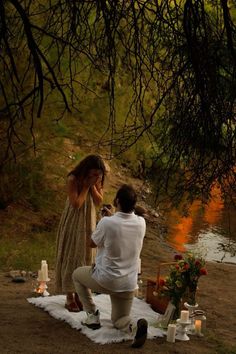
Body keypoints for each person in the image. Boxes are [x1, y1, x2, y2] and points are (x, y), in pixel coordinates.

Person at [72, 184, 148, 348]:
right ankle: (135, 325)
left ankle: (92, 316)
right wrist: (111, 217)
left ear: (117, 201)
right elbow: (124, 224)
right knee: (119, 320)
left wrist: (101, 221)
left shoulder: (107, 223)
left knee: (77, 274)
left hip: (106, 280)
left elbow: (92, 243)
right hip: (128, 284)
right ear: (133, 204)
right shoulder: (141, 223)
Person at [55, 154, 106, 312]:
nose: (97, 176)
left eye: (99, 174)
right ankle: (69, 296)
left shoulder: (96, 180)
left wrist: (93, 186)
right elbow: (76, 203)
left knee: (85, 254)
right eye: (94, 173)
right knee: (72, 253)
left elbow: (99, 201)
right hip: (74, 219)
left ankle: (80, 293)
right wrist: (85, 186)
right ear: (87, 169)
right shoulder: (73, 179)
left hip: (88, 220)